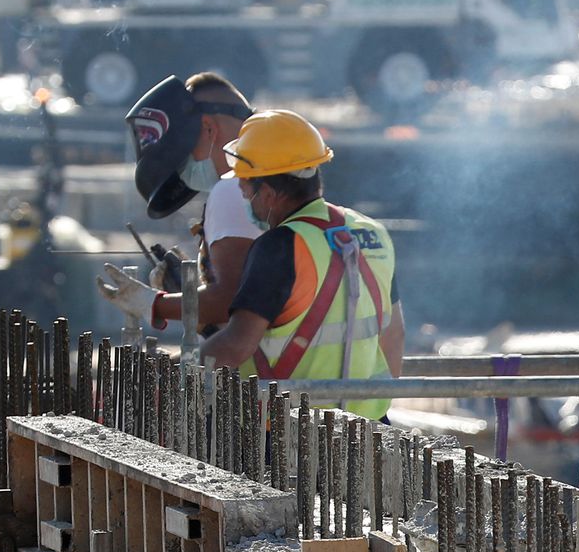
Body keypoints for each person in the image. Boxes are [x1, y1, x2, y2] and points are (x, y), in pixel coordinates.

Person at [199, 108, 405, 422]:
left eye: (245, 191)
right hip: (371, 430)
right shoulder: (371, 232)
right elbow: (394, 335)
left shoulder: (280, 246)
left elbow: (234, 347)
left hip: (290, 437)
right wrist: (370, 410)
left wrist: (192, 361)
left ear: (267, 193)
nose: (244, 200)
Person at [97, 72, 259, 331]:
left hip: (271, 370)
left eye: (184, 156)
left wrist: (154, 303)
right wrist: (194, 293)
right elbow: (254, 307)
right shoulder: (275, 183)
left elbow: (230, 302)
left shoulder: (233, 190)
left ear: (207, 128)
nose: (185, 169)